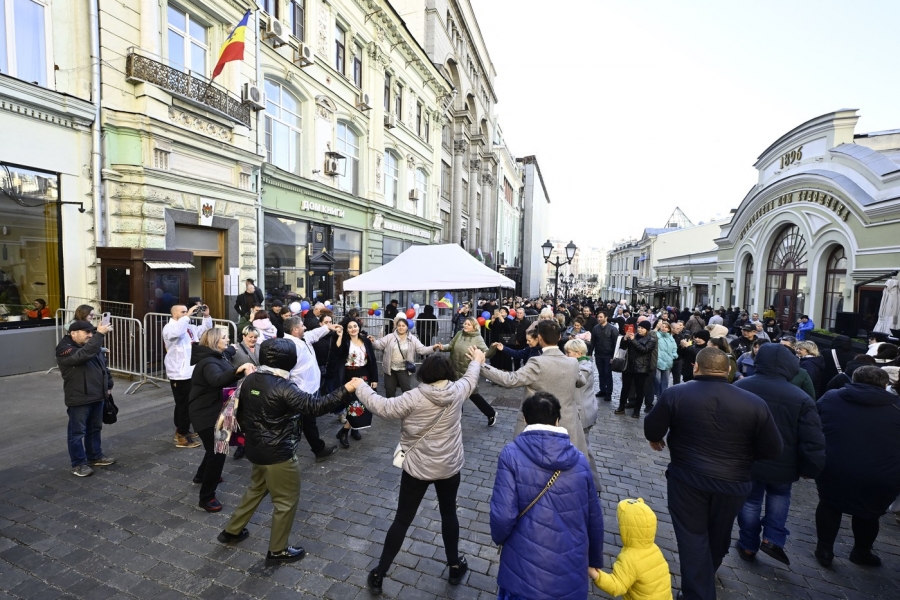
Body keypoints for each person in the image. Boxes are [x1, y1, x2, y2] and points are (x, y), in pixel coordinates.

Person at [644, 347, 783, 600]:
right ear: (728, 370)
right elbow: (773, 448)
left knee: (693, 537)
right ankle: (702, 581)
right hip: (732, 482)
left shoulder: (677, 393)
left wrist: (656, 439)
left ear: (695, 368)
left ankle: (698, 592)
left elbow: (653, 427)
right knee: (717, 535)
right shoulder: (753, 402)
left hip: (688, 479)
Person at [216, 339, 361, 565]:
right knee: (285, 501)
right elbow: (316, 406)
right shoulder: (284, 388)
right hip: (278, 453)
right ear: (289, 360)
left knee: (256, 489)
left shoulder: (252, 379)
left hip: (256, 448)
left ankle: (231, 531)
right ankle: (277, 550)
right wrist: (347, 389)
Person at [353, 352, 482, 594]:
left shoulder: (413, 397)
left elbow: (382, 407)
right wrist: (477, 360)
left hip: (417, 468)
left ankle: (380, 573)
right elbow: (471, 378)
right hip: (448, 467)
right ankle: (455, 566)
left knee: (402, 519)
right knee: (448, 514)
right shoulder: (457, 391)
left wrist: (360, 386)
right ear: (448, 373)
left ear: (425, 374)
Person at [490, 392, 604, 600]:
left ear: (525, 419)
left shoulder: (511, 454)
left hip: (523, 568)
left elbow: (503, 515)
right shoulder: (579, 460)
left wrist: (500, 538)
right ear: (558, 420)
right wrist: (594, 558)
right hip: (571, 567)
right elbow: (594, 516)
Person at [733, 344, 826, 565]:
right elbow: (812, 438)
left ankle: (748, 544)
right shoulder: (800, 397)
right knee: (779, 496)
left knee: (751, 500)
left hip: (749, 458)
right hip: (784, 460)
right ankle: (773, 539)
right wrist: (811, 468)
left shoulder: (741, 387)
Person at [481, 320, 601, 491]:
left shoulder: (537, 362)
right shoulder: (573, 363)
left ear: (540, 339)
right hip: (567, 422)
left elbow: (510, 380)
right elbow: (580, 381)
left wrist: (480, 365)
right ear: (560, 337)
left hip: (536, 424)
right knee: (565, 469)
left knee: (533, 468)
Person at [813, 366, 900, 568]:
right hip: (880, 472)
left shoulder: (831, 397)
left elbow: (814, 424)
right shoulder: (896, 407)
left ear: (853, 379)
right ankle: (861, 552)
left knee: (829, 505)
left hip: (835, 465)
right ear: (885, 384)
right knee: (868, 513)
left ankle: (824, 549)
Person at [189, 328, 256, 512]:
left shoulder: (219, 355)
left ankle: (201, 475)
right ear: (214, 341)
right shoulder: (208, 362)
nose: (228, 340)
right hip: (206, 414)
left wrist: (234, 349)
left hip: (217, 410)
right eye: (224, 338)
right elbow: (217, 379)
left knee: (213, 449)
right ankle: (206, 497)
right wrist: (239, 369)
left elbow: (229, 351)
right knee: (217, 452)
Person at [56, 320, 116, 477]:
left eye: (92, 332)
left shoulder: (90, 345)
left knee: (95, 428)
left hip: (97, 395)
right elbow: (82, 356)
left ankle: (95, 456)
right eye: (87, 333)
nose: (90, 335)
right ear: (73, 333)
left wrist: (108, 385)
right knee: (77, 433)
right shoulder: (64, 349)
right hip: (79, 398)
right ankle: (78, 464)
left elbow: (103, 367)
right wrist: (100, 334)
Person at [588, 498, 673, 600]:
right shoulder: (655, 549)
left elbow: (617, 586)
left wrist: (595, 574)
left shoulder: (629, 558)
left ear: (625, 528)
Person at [283, 316, 342, 461]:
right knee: (304, 422)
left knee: (307, 422)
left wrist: (329, 327)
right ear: (295, 330)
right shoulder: (289, 347)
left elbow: (314, 333)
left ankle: (317, 449)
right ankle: (314, 450)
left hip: (311, 389)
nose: (305, 327)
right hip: (301, 393)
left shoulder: (304, 338)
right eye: (302, 326)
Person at [162, 303, 212, 449]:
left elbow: (204, 332)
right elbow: (177, 334)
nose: (186, 314)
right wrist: (188, 315)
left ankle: (184, 428)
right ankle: (181, 434)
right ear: (174, 314)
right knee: (183, 404)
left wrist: (206, 316)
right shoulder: (169, 327)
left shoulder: (188, 326)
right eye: (182, 312)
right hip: (179, 372)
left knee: (189, 402)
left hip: (191, 370)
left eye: (186, 311)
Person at [440, 316, 498, 426]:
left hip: (468, 372)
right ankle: (456, 418)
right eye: (465, 323)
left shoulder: (478, 338)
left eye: (468, 324)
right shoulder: (459, 334)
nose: (465, 325)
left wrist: (493, 348)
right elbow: (450, 346)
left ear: (474, 327)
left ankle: (491, 413)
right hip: (454, 369)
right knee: (456, 394)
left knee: (473, 395)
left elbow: (486, 353)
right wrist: (442, 347)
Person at [332, 317, 379, 446]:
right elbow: (337, 352)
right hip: (349, 375)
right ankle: (345, 431)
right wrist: (340, 336)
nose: (353, 329)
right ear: (347, 329)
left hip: (364, 374)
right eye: (350, 327)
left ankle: (354, 429)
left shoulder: (366, 341)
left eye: (355, 326)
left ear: (359, 327)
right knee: (353, 405)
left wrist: (374, 379)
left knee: (364, 403)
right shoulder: (345, 341)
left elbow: (373, 361)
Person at [369, 314, 439, 398]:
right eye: (399, 325)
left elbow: (422, 349)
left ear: (407, 327)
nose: (401, 327)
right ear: (396, 327)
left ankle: (406, 408)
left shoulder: (412, 339)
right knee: (389, 390)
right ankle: (390, 409)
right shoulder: (390, 337)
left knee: (406, 391)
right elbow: (379, 345)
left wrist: (433, 348)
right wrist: (373, 341)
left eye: (403, 326)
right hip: (389, 369)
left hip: (404, 369)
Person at [615, 321, 657, 418]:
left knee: (639, 390)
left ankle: (636, 410)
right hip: (629, 366)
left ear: (647, 329)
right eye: (639, 327)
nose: (640, 329)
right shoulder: (633, 336)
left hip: (641, 368)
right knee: (625, 388)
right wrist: (625, 339)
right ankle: (621, 407)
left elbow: (644, 350)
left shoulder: (651, 339)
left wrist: (633, 340)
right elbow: (623, 347)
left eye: (642, 328)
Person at [565, 339, 599, 437]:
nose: (566, 355)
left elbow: (576, 378)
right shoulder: (583, 364)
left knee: (583, 446)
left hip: (583, 413)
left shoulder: (584, 368)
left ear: (579, 353)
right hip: (585, 410)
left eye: (568, 353)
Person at [591, 310, 618, 399]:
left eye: (601, 317)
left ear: (606, 317)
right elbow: (593, 342)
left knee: (608, 374)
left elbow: (615, 344)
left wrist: (613, 357)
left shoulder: (613, 329)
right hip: (598, 354)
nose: (599, 319)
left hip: (608, 355)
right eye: (598, 317)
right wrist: (590, 354)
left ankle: (608, 392)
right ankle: (602, 390)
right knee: (601, 373)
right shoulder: (595, 328)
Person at [655, 320, 677, 399]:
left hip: (668, 362)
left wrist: (673, 356)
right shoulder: (657, 335)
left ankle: (662, 397)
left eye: (666, 327)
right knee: (657, 380)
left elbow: (674, 348)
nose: (664, 328)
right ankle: (657, 394)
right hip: (658, 361)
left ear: (669, 329)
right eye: (662, 326)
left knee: (665, 382)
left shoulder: (671, 338)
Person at [490, 307, 515, 371]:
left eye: (503, 311)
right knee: (495, 357)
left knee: (505, 357)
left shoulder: (509, 320)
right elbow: (492, 328)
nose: (501, 312)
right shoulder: (496, 320)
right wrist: (492, 321)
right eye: (500, 311)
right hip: (496, 340)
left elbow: (508, 329)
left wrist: (501, 318)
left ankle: (505, 371)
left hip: (505, 341)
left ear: (507, 313)